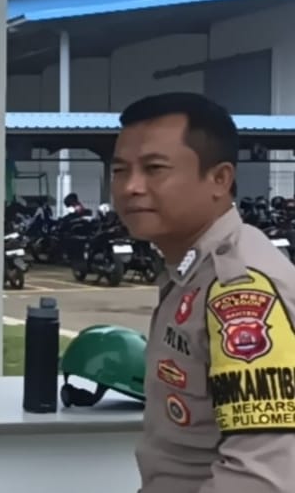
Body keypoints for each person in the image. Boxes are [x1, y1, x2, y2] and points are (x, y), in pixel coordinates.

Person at [111, 92, 295, 493]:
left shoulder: (240, 291)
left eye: (154, 169)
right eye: (120, 170)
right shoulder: (190, 272)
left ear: (219, 179)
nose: (131, 187)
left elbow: (260, 478)